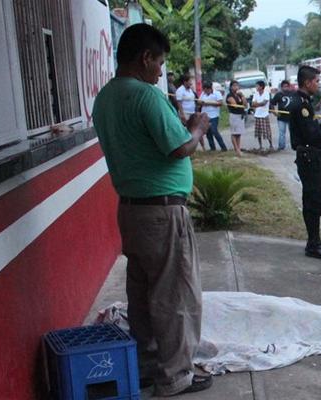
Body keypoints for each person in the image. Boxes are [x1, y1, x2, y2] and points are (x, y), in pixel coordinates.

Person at [92, 23, 212, 397]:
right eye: (159, 62)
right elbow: (177, 147)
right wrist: (197, 128)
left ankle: (145, 365)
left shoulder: (106, 97)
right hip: (162, 212)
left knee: (143, 295)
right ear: (145, 58)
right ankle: (176, 375)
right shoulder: (146, 96)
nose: (161, 71)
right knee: (175, 294)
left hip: (131, 209)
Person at [288, 65, 321, 260]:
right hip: (308, 157)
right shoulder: (301, 105)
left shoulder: (305, 101)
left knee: (316, 199)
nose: (318, 84)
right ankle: (313, 244)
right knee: (313, 200)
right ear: (307, 82)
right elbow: (311, 135)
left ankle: (315, 241)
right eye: (316, 81)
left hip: (311, 156)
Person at [176, 73, 205, 151]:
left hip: (192, 112)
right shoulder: (180, 90)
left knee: (196, 129)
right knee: (188, 131)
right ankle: (188, 148)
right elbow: (179, 103)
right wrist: (182, 114)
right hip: (185, 113)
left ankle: (203, 147)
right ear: (185, 82)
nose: (191, 83)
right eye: (189, 81)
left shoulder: (190, 90)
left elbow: (194, 100)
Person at [200, 81, 227, 151]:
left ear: (209, 89)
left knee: (214, 130)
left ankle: (223, 147)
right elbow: (199, 101)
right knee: (208, 132)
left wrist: (209, 103)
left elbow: (220, 103)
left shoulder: (217, 93)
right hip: (205, 116)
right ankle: (212, 148)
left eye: (206, 90)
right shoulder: (203, 94)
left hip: (214, 115)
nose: (205, 91)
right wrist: (202, 103)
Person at [226, 80, 247, 157]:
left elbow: (245, 105)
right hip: (234, 115)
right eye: (234, 85)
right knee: (234, 133)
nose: (236, 87)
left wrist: (242, 96)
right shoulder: (229, 95)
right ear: (231, 87)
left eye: (237, 85)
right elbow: (234, 105)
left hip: (240, 115)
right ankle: (236, 150)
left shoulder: (239, 95)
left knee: (239, 133)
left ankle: (238, 148)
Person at [270, 80, 292, 150]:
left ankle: (294, 145)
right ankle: (281, 146)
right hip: (281, 117)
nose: (286, 88)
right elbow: (272, 103)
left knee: (293, 132)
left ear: (289, 87)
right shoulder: (278, 95)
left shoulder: (293, 94)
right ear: (281, 87)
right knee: (282, 132)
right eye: (284, 86)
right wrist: (274, 112)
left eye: (287, 86)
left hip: (291, 117)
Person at [252, 80, 273, 150]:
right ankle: (260, 146)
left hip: (264, 115)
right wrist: (258, 104)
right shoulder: (255, 94)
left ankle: (271, 145)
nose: (256, 87)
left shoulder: (266, 93)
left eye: (257, 86)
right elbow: (253, 104)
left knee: (267, 131)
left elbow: (264, 103)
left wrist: (257, 104)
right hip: (257, 115)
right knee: (258, 132)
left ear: (261, 87)